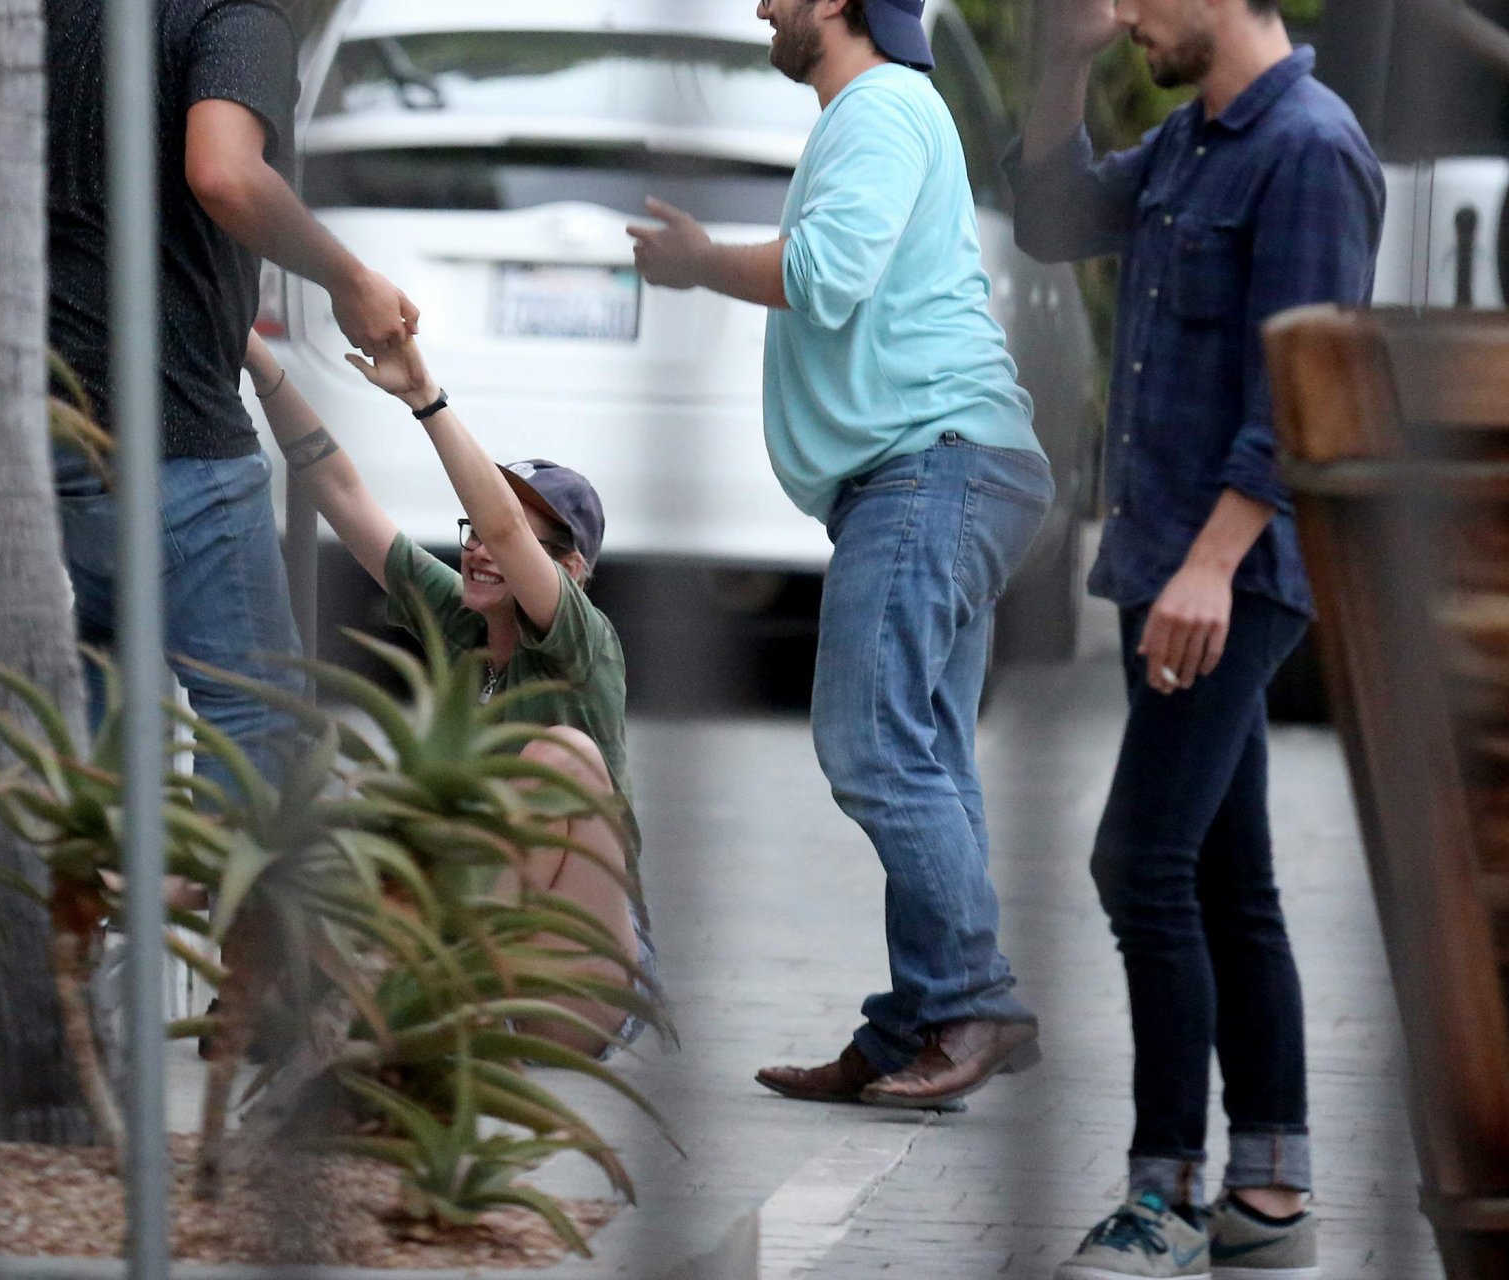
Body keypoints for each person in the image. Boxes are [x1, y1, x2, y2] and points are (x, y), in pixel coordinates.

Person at [1006, 0, 1383, 1274]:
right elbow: (1052, 219)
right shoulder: (1191, 142)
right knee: (1227, 874)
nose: (1124, 17)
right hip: (1163, 563)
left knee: (1140, 863)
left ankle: (1164, 1190)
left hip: (1230, 572)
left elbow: (1300, 392)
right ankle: (1269, 1189)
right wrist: (1061, 64)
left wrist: (1214, 568)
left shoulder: (1311, 148)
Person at [630, 0, 1051, 1109]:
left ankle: (975, 999)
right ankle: (921, 1020)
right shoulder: (881, 110)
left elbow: (825, 273)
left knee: (868, 742)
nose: (762, 4)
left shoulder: (878, 109)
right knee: (925, 755)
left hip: (931, 470)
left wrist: (698, 261)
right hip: (954, 468)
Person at [243, 332, 652, 1059]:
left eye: (509, 541)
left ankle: (408, 984)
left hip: (577, 969)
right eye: (473, 532)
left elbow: (500, 524)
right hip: (473, 948)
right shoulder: (461, 618)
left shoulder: (583, 642)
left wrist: (424, 398)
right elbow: (338, 489)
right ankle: (365, 990)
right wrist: (255, 355)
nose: (479, 548)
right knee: (339, 795)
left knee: (562, 755)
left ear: (569, 571)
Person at [43, 0, 417, 792]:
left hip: (46, 415)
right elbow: (225, 174)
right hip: (165, 428)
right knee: (258, 711)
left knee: (109, 692)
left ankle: (96, 870)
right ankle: (234, 879)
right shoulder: (236, 14)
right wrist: (349, 280)